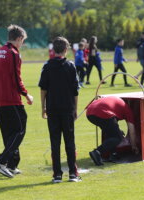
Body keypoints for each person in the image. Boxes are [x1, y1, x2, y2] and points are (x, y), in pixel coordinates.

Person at [0, 25, 33, 178]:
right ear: (19, 39)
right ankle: (1, 161)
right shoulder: (14, 53)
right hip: (11, 99)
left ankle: (12, 164)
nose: (22, 44)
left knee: (9, 133)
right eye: (23, 41)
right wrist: (26, 94)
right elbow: (16, 78)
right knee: (19, 129)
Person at [39, 36, 81, 183]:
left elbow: (43, 89)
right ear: (66, 49)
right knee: (70, 141)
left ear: (53, 50)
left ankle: (57, 174)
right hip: (67, 108)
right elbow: (75, 91)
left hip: (52, 109)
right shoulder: (70, 66)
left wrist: (43, 107)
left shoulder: (47, 66)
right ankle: (72, 174)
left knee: (54, 142)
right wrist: (75, 108)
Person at [87, 96, 139, 166]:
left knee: (111, 135)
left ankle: (113, 154)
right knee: (118, 137)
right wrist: (134, 146)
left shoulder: (118, 103)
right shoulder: (128, 110)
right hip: (102, 112)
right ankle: (97, 152)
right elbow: (132, 131)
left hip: (89, 112)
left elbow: (112, 125)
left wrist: (118, 131)